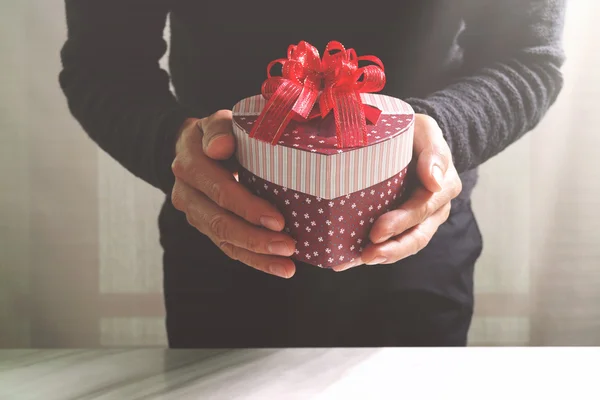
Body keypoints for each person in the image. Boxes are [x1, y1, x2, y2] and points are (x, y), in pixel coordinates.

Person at [59, 0, 565, 347]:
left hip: (415, 254)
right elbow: (101, 65)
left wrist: (441, 132)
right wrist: (174, 144)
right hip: (221, 249)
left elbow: (528, 57)